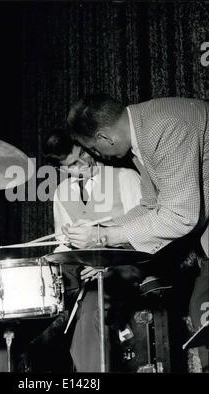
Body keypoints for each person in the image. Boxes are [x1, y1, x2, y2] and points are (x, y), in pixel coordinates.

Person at [65, 94, 209, 372]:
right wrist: (102, 232)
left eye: (93, 149)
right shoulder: (143, 130)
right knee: (201, 310)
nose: (98, 156)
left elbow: (180, 216)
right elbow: (151, 206)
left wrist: (105, 238)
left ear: (104, 137)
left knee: (203, 311)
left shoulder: (164, 130)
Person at [37, 129, 143, 371]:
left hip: (126, 263)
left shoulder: (125, 178)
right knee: (36, 288)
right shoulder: (61, 193)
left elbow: (145, 232)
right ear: (62, 169)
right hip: (84, 267)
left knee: (93, 305)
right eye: (73, 164)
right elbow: (65, 242)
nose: (84, 163)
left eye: (83, 153)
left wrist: (106, 259)